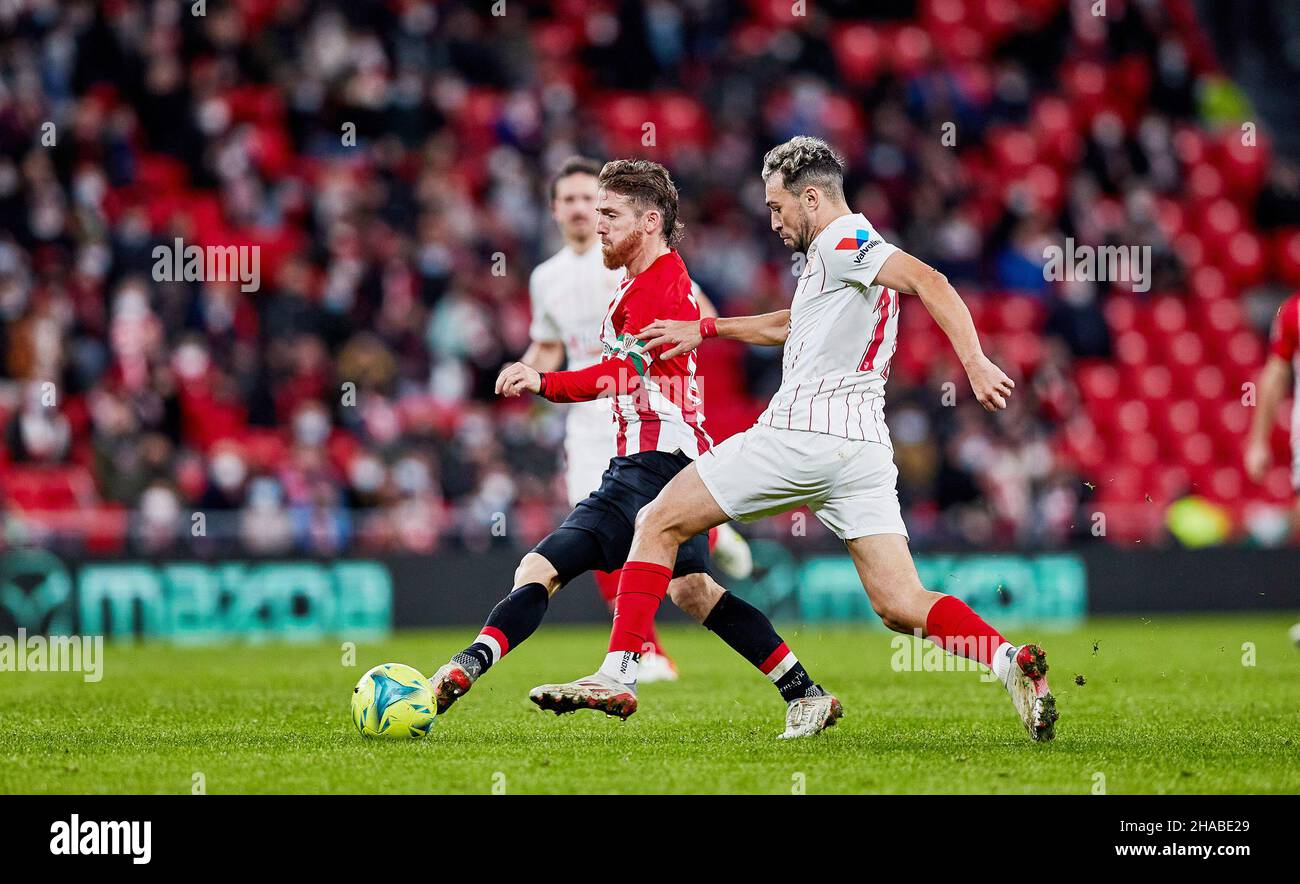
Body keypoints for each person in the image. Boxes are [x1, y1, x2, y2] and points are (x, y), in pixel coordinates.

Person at [532, 136, 1058, 742]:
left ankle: (618, 672)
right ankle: (1006, 661)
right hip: (861, 449)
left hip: (803, 431)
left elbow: (930, 279)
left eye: (778, 207)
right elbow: (789, 323)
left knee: (655, 521)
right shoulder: (836, 263)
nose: (774, 221)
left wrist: (974, 361)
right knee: (900, 602)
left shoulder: (843, 240)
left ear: (811, 197)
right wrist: (707, 328)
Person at [429, 158, 842, 739]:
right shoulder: (644, 281)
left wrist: (542, 382)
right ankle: (806, 693)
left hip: (653, 462)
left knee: (542, 566)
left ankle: (554, 670)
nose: (597, 224)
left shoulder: (660, 286)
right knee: (695, 590)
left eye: (609, 214)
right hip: (666, 460)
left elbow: (617, 377)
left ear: (649, 222)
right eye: (593, 211)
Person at [521, 156, 752, 681]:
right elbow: (549, 345)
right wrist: (526, 378)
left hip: (649, 406)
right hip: (589, 415)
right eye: (574, 201)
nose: (585, 211)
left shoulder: (631, 260)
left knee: (644, 528)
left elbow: (691, 312)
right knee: (602, 527)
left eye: (592, 200)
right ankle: (644, 651)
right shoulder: (547, 278)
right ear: (556, 210)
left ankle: (710, 537)